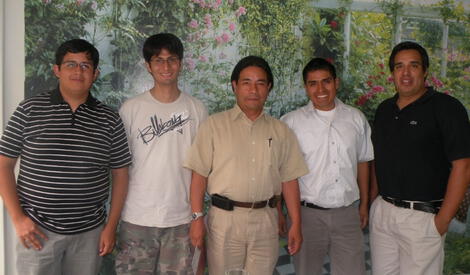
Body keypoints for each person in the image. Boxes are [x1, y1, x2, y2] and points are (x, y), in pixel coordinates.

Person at [0, 39, 131, 274]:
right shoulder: (29, 110)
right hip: (37, 231)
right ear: (57, 70)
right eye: (70, 64)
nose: (78, 71)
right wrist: (18, 219)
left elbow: (121, 174)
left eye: (85, 66)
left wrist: (111, 227)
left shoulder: (110, 119)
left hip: (90, 234)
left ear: (95, 73)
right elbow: (3, 165)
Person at [184, 56, 308, 275]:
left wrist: (295, 223)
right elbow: (199, 176)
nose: (253, 89)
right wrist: (196, 218)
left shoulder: (281, 131)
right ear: (234, 86)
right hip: (224, 222)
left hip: (265, 222)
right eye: (246, 82)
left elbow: (289, 179)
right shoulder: (214, 126)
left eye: (260, 83)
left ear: (268, 88)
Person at [370, 41, 470, 275]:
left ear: (425, 70)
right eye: (398, 66)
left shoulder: (447, 108)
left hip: (422, 219)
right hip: (384, 213)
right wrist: (374, 202)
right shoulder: (384, 110)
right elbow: (379, 159)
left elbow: (463, 166)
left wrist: (442, 220)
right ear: (392, 73)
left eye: (413, 66)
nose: (405, 73)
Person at [115, 33, 207, 274]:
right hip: (137, 219)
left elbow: (201, 168)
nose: (166, 66)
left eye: (172, 59)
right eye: (158, 60)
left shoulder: (196, 109)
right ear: (148, 66)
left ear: (181, 63)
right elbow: (119, 168)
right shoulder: (131, 109)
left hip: (181, 220)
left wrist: (198, 216)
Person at [281, 58, 373, 275]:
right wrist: (284, 214)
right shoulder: (291, 123)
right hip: (306, 216)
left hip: (347, 214)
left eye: (326, 81)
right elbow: (284, 175)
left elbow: (363, 162)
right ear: (305, 87)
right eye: (313, 83)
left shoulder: (356, 119)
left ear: (336, 83)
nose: (320, 89)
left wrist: (364, 205)